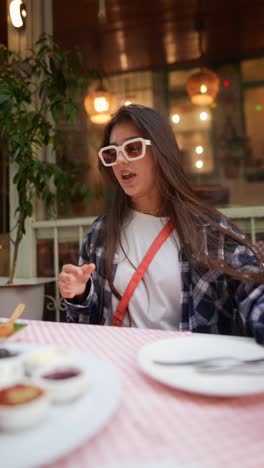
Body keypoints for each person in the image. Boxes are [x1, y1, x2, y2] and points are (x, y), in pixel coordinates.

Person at [59, 104, 264, 344]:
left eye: (133, 148)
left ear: (160, 151)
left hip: (186, 370)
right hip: (120, 364)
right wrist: (80, 294)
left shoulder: (208, 230)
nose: (120, 161)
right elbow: (87, 326)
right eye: (112, 153)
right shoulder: (100, 233)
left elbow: (253, 289)